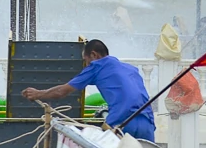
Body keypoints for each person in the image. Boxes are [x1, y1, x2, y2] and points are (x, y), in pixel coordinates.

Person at [21, 40, 156, 141]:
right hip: (147, 124)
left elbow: (62, 91)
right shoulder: (131, 69)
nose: (86, 65)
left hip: (123, 123)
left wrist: (38, 94)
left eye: (85, 61)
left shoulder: (97, 66)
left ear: (93, 55)